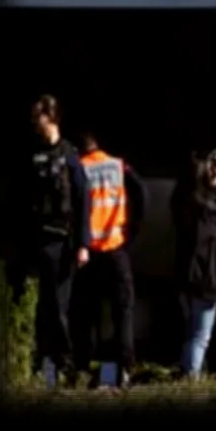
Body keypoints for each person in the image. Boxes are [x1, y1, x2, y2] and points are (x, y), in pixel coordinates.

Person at [17, 95, 90, 389]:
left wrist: (83, 244)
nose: (35, 122)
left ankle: (67, 367)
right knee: (44, 309)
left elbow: (83, 200)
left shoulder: (70, 155)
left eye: (39, 117)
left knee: (58, 308)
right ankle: (48, 371)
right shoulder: (33, 154)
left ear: (52, 118)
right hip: (38, 240)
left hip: (62, 243)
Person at [70, 131, 147, 389]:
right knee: (123, 311)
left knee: (86, 313)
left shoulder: (80, 167)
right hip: (117, 249)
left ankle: (83, 365)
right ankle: (123, 368)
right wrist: (133, 229)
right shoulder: (117, 165)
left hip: (89, 252)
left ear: (81, 151)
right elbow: (142, 192)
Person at [170, 148, 216, 380]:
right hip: (206, 276)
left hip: (185, 274)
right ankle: (191, 377)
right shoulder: (207, 212)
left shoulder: (183, 202)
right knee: (201, 336)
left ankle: (187, 369)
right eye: (214, 166)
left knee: (190, 331)